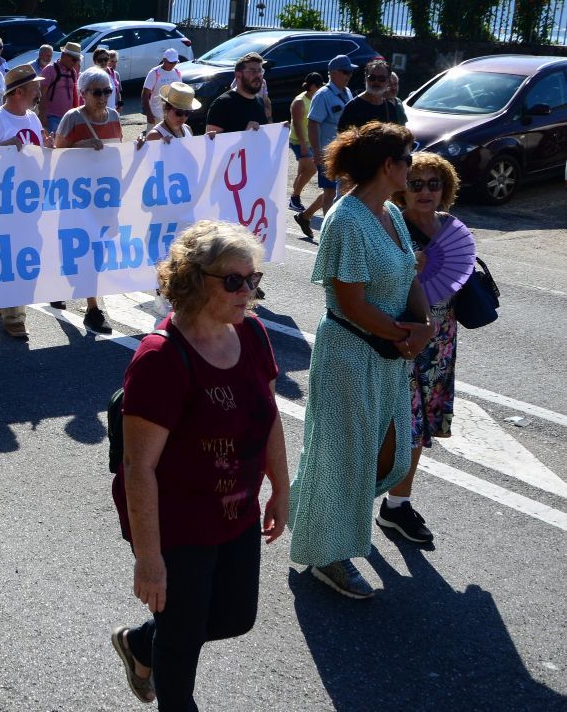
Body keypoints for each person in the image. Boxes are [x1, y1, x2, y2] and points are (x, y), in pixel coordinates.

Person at [109, 221, 288, 710]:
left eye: (253, 280)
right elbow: (137, 468)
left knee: (234, 617)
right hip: (179, 524)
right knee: (183, 636)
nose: (246, 291)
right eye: (233, 281)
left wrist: (281, 487)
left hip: (236, 512)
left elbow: (267, 414)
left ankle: (143, 643)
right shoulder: (161, 359)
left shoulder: (250, 332)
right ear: (193, 279)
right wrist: (149, 558)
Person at [289, 121, 433, 599]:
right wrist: (403, 335)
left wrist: (423, 322)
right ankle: (329, 552)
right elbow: (350, 303)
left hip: (388, 353)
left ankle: (317, 511)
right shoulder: (346, 218)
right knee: (347, 453)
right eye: (408, 159)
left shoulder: (391, 212)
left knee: (386, 451)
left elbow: (410, 272)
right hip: (351, 352)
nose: (413, 167)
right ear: (388, 165)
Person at [383, 153, 468, 546]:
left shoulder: (452, 229)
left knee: (416, 430)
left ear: (445, 188)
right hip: (397, 338)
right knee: (393, 426)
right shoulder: (391, 227)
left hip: (440, 342)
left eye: (434, 184)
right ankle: (353, 501)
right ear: (402, 188)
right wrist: (407, 269)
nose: (425, 192)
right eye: (415, 184)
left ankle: (397, 505)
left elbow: (457, 279)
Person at [52, 66, 125, 333]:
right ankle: (93, 309)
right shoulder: (72, 119)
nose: (103, 96)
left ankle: (69, 287)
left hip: (106, 199)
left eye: (107, 91)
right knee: (87, 252)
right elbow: (56, 157)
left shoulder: (115, 117)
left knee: (98, 251)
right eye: (97, 92)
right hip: (78, 200)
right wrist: (80, 149)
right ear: (83, 93)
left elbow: (119, 153)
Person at [0, 64, 46, 340]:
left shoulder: (33, 118)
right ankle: (15, 314)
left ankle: (7, 302)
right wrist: (2, 147)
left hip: (29, 201)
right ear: (18, 92)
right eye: (34, 88)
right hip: (3, 202)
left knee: (27, 253)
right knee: (12, 255)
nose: (39, 92)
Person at [295, 55, 359, 241]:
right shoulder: (323, 95)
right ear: (333, 73)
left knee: (336, 190)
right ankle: (329, 236)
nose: (349, 75)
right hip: (328, 153)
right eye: (345, 72)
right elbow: (313, 124)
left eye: (351, 72)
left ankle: (305, 216)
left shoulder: (347, 92)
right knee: (332, 191)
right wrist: (316, 152)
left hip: (345, 152)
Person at [205, 52, 267, 135]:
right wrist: (245, 133)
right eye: (252, 71)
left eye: (260, 71)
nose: (258, 75)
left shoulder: (259, 101)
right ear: (238, 75)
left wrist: (279, 130)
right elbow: (212, 144)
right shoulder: (222, 104)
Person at [288, 72, 324, 213]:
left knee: (302, 171)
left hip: (310, 141)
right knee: (311, 169)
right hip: (299, 141)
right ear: (313, 86)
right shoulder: (299, 102)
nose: (321, 88)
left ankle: (294, 198)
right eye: (319, 85)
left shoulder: (316, 98)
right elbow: (296, 124)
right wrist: (303, 144)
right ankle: (294, 198)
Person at [338, 60, 407, 131]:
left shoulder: (390, 108)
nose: (376, 82)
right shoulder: (352, 107)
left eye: (381, 79)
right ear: (365, 79)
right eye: (372, 78)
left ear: (388, 81)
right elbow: (342, 139)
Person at [37, 42, 80, 133]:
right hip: (52, 119)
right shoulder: (50, 70)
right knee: (55, 146)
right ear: (64, 55)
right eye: (74, 59)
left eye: (77, 60)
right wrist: (42, 115)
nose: (75, 62)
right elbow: (42, 94)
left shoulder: (73, 72)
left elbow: (74, 96)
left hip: (68, 118)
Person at [141, 48, 184, 128]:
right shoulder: (154, 73)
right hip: (156, 115)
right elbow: (145, 95)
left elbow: (179, 94)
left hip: (172, 115)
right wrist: (149, 114)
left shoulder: (177, 73)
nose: (173, 65)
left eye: (175, 62)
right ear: (164, 60)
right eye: (170, 62)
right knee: (153, 139)